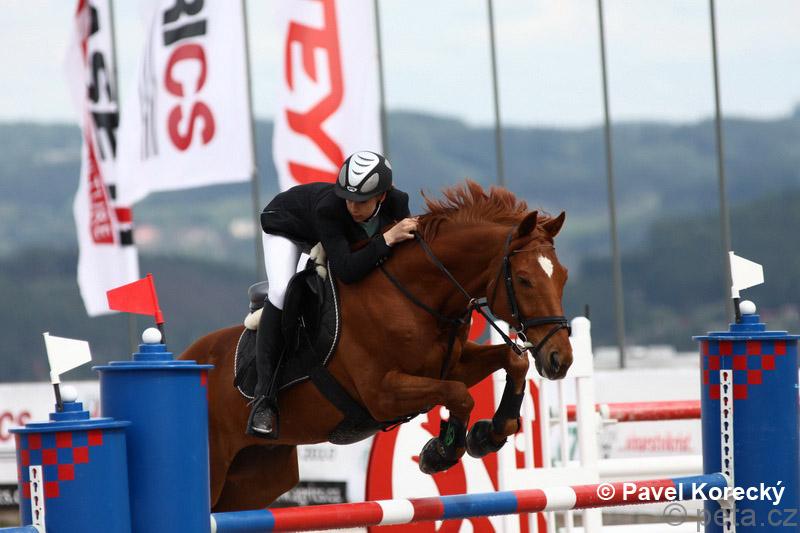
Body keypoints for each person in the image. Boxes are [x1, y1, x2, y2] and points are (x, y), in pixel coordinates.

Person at [248, 151, 419, 438]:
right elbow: (348, 270)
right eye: (348, 198)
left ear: (382, 196)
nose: (352, 207)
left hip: (325, 236)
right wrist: (388, 238)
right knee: (282, 291)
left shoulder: (398, 202)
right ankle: (264, 400)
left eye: (361, 201)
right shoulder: (331, 209)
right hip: (287, 227)